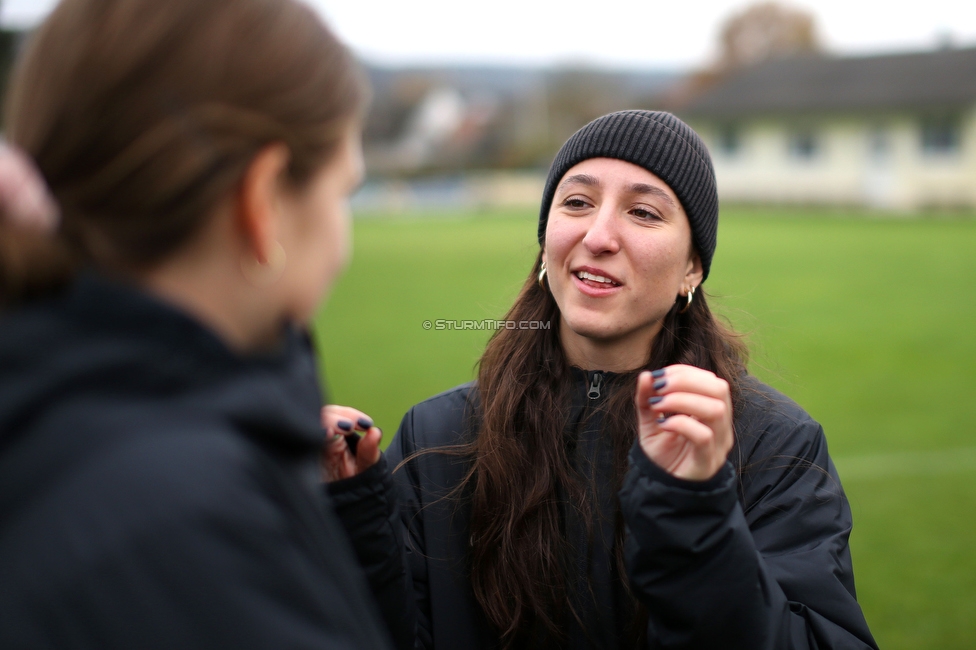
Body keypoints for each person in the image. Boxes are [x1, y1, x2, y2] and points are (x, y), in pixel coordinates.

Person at [0, 0, 410, 647]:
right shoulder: (186, 524)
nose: (340, 236)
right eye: (340, 192)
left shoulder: (56, 424)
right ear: (264, 202)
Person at [387, 110, 878, 649]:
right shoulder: (435, 437)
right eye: (577, 202)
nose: (598, 236)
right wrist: (354, 533)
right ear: (545, 239)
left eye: (643, 212)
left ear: (693, 266)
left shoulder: (774, 444)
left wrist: (700, 523)